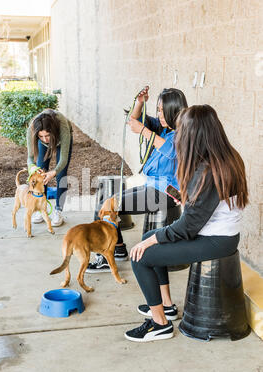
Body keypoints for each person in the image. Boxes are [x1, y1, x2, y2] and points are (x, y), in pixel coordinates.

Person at [124, 104, 249, 342]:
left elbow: (189, 226)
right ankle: (166, 307)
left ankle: (159, 323)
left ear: (195, 134)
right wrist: (184, 198)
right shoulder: (226, 157)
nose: (179, 136)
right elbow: (208, 206)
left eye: (182, 131)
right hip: (218, 233)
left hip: (216, 241)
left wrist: (154, 238)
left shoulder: (208, 169)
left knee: (140, 254)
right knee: (146, 243)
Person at [87, 87, 188, 321]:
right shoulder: (163, 127)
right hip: (152, 187)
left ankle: (108, 251)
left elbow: (172, 151)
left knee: (109, 206)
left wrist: (143, 130)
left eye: (163, 111)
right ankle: (117, 249)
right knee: (109, 202)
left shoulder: (183, 132)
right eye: (158, 110)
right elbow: (134, 121)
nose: (160, 115)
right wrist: (140, 103)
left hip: (164, 193)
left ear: (174, 110)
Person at [26, 108, 73, 227]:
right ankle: (42, 209)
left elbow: (63, 159)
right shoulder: (32, 129)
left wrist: (55, 172)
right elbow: (30, 158)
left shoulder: (62, 126)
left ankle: (58, 210)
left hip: (60, 140)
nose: (45, 139)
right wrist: (33, 168)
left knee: (61, 173)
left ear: (51, 131)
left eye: (47, 135)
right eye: (41, 136)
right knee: (41, 172)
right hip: (45, 139)